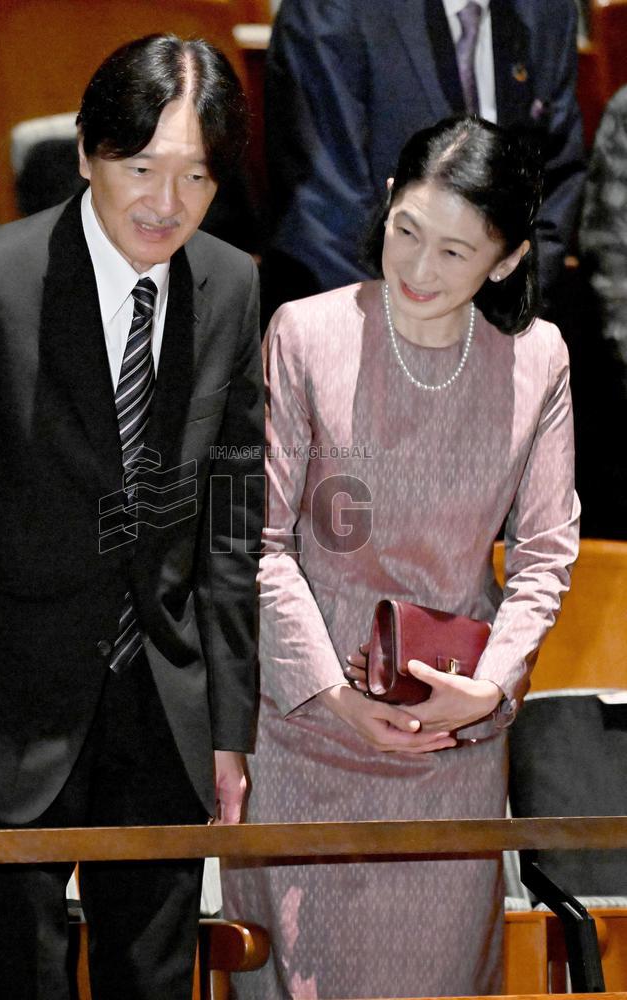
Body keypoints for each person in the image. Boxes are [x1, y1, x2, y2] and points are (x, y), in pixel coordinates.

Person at [0, 34, 263, 1000]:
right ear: (90, 149)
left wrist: (229, 725)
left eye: (196, 177)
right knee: (10, 982)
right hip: (5, 718)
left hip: (167, 715)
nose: (166, 203)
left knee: (156, 983)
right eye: (142, 168)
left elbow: (228, 521)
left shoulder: (231, 285)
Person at [221, 116, 579, 998]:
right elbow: (257, 544)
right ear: (385, 203)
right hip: (307, 738)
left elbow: (543, 554)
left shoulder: (535, 360)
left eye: (456, 252)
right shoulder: (304, 334)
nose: (419, 270)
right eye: (407, 231)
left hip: (448, 747)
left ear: (504, 260)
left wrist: (489, 688)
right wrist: (335, 696)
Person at [260, 0, 586, 323]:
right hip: (357, 322)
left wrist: (506, 320)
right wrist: (421, 336)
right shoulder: (328, 9)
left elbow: (555, 184)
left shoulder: (549, 10)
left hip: (502, 328)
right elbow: (325, 209)